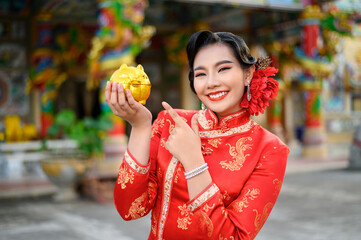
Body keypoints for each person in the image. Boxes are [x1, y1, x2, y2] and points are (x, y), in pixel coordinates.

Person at [105, 30, 289, 240]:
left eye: (223, 69)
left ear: (248, 74)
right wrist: (139, 126)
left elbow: (234, 237)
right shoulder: (170, 122)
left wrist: (194, 162)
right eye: (201, 74)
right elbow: (130, 209)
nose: (211, 82)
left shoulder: (270, 149)